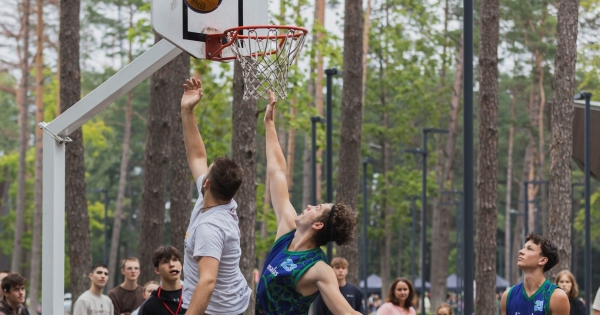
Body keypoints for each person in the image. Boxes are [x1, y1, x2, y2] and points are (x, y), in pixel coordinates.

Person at [255, 91, 361, 315]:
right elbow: (277, 173)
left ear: (318, 225)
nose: (311, 206)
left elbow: (349, 314)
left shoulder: (320, 269)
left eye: (318, 208)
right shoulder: (287, 231)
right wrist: (269, 124)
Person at [180, 77, 251, 314]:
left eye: (207, 170)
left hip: (216, 311)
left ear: (207, 183)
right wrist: (187, 111)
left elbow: (208, 282)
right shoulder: (218, 198)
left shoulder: (211, 227)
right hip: (230, 302)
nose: (204, 166)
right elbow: (197, 156)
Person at [500, 233, 569, 315]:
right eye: (523, 248)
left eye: (529, 249)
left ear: (542, 260)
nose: (521, 251)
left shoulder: (556, 297)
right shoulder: (508, 296)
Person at [137, 246, 185, 315]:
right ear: (157, 270)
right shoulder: (149, 305)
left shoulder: (192, 296)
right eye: (165, 262)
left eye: (175, 260)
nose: (171, 264)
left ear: (181, 265)